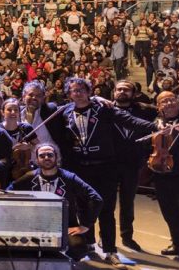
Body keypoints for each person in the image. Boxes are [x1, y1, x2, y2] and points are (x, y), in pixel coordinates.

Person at [60, 77, 155, 268]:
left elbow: (130, 120)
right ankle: (89, 245)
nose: (77, 93)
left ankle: (110, 250)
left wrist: (156, 127)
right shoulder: (65, 112)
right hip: (80, 167)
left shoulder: (103, 108)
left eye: (81, 90)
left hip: (104, 167)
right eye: (73, 90)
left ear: (88, 91)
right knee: (83, 208)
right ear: (69, 94)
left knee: (106, 209)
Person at [8, 143, 103, 261]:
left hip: (65, 226)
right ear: (37, 160)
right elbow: (9, 192)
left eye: (50, 155)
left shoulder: (70, 178)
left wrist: (85, 225)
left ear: (56, 158)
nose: (46, 158)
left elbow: (96, 198)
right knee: (16, 248)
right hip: (35, 226)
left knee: (78, 247)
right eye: (42, 156)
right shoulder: (29, 177)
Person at [111, 80, 157, 252]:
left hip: (133, 163)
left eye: (127, 89)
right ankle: (105, 237)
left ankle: (127, 237)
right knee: (106, 203)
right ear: (114, 92)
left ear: (134, 93)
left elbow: (168, 111)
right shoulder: (105, 109)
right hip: (109, 163)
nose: (122, 92)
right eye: (119, 89)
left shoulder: (145, 110)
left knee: (127, 202)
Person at [153, 91, 179, 256]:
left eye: (172, 99)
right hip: (162, 173)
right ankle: (178, 243)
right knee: (169, 211)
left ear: (178, 102)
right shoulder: (155, 123)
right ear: (158, 106)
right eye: (164, 101)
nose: (169, 103)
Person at [0, 98, 35, 180]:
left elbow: (39, 146)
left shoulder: (26, 128)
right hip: (3, 169)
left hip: (23, 168)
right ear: (2, 112)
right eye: (9, 110)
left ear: (19, 113)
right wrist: (13, 148)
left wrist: (29, 147)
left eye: (16, 110)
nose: (13, 112)